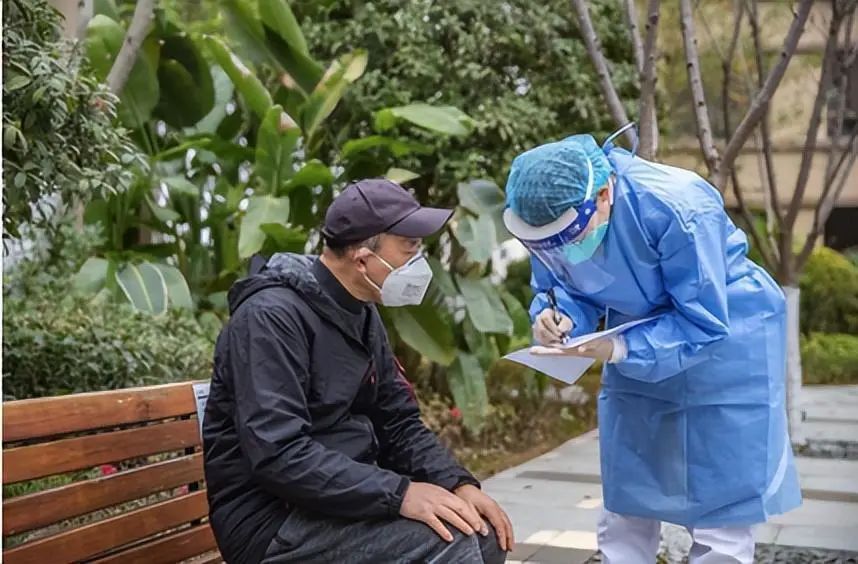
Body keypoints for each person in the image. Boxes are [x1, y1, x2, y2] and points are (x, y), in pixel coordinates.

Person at [502, 128, 801, 564]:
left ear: (603, 194)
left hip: (727, 345)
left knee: (722, 502)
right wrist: (559, 318)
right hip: (635, 338)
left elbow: (702, 318)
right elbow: (563, 285)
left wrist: (622, 349)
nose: (561, 248)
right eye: (548, 242)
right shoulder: (548, 217)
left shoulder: (678, 205)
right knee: (629, 490)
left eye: (568, 234)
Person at [202, 178, 513, 564]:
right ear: (363, 258)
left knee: (483, 532)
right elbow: (279, 454)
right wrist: (400, 494)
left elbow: (398, 421)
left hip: (337, 499)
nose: (419, 263)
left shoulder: (361, 311)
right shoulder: (271, 318)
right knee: (450, 542)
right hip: (272, 519)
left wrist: (457, 482)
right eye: (410, 249)